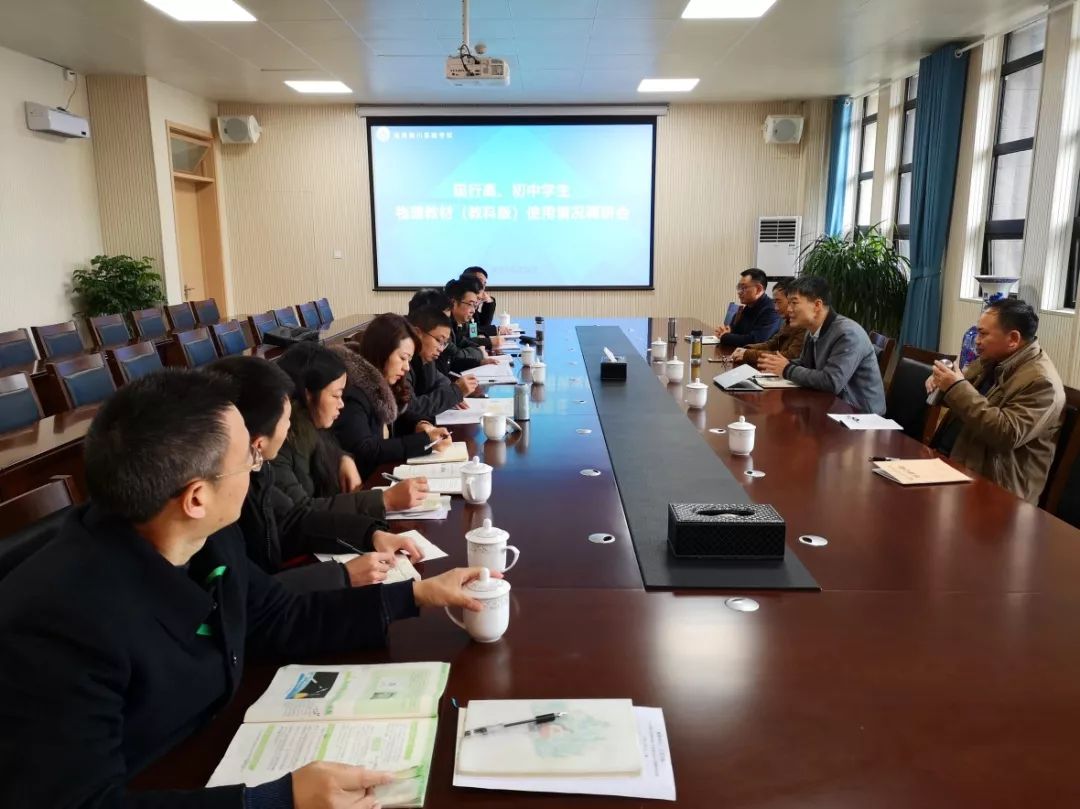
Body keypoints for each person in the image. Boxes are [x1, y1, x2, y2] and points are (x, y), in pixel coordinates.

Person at [0, 369, 494, 808]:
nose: (260, 467)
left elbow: (274, 616)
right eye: (249, 460)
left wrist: (416, 596)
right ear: (196, 497)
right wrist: (277, 800)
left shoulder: (209, 538)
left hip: (212, 746)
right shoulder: (57, 626)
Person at [208, 356, 427, 591]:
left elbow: (294, 520)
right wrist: (342, 575)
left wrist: (370, 535)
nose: (289, 426)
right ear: (257, 442)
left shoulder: (259, 468)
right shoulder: (223, 503)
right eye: (286, 419)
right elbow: (247, 598)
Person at [927, 298, 1065, 503]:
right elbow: (964, 397)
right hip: (957, 463)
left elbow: (1006, 433)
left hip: (998, 491)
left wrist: (955, 387)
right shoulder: (992, 358)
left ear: (1013, 339)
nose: (977, 340)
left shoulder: (1042, 383)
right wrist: (942, 382)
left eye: (983, 334)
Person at [272, 342, 418, 510]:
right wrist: (384, 500)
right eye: (336, 395)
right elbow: (302, 513)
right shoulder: (279, 445)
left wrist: (342, 458)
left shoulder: (314, 429)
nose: (341, 404)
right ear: (308, 395)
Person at [332, 314, 453, 478]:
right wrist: (424, 441)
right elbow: (364, 450)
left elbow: (398, 415)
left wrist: (420, 425)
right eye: (403, 358)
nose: (407, 367)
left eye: (409, 360)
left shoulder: (385, 382)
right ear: (382, 352)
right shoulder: (353, 390)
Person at [758, 276, 886, 415]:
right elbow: (806, 364)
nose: (788, 309)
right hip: (831, 405)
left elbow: (831, 382)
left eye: (794, 303)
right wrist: (777, 365)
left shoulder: (848, 333)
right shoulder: (811, 330)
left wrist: (786, 369)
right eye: (788, 303)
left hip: (860, 415)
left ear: (817, 305)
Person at [405, 305, 480, 419]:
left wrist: (454, 392)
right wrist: (454, 392)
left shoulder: (426, 358)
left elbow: (439, 379)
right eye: (439, 340)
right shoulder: (402, 365)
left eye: (444, 343)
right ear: (417, 333)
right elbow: (410, 409)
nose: (441, 349)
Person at [731, 279, 807, 367]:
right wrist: (746, 349)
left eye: (779, 302)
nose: (776, 308)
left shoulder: (803, 325)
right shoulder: (787, 321)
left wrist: (748, 354)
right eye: (774, 302)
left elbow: (790, 356)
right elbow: (772, 343)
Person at [443, 277, 499, 373]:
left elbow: (463, 340)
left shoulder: (458, 321)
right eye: (470, 304)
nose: (473, 310)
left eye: (475, 305)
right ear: (453, 303)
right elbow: (455, 356)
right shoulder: (442, 325)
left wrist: (479, 356)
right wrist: (481, 350)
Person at [714, 268, 782, 346]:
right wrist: (728, 331)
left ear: (758, 289)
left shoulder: (771, 310)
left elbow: (756, 340)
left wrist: (725, 336)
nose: (739, 292)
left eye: (743, 288)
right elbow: (737, 332)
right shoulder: (748, 307)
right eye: (739, 288)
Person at [463, 266, 497, 335]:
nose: (483, 286)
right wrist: (495, 330)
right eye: (480, 281)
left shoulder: (473, 302)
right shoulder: (462, 300)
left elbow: (482, 324)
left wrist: (489, 302)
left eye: (484, 283)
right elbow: (469, 332)